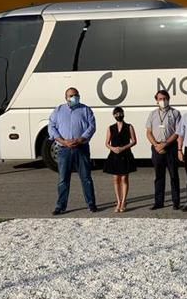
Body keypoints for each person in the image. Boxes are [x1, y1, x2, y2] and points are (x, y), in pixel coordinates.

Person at [49, 87, 97, 215]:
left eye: (75, 95)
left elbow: (92, 126)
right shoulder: (58, 110)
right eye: (71, 95)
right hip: (64, 149)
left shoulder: (85, 109)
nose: (73, 97)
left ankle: (91, 204)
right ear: (66, 98)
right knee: (63, 179)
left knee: (86, 177)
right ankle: (61, 206)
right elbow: (51, 127)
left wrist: (81, 139)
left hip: (81, 147)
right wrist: (62, 141)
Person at [145, 90, 182, 210]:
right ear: (156, 100)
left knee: (174, 176)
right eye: (160, 99)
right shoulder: (152, 114)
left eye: (165, 98)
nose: (163, 101)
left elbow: (177, 132)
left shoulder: (175, 113)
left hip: (170, 147)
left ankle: (176, 202)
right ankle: (158, 202)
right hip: (156, 147)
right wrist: (156, 145)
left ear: (169, 99)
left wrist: (165, 144)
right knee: (159, 176)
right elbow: (148, 132)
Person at [103, 106, 137, 213]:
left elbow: (134, 141)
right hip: (114, 156)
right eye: (116, 114)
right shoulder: (110, 128)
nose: (119, 115)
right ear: (113, 115)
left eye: (120, 113)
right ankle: (118, 201)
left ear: (123, 114)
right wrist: (113, 148)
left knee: (124, 178)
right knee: (116, 179)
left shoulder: (129, 126)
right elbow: (107, 143)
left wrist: (123, 148)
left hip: (125, 154)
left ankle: (124, 201)